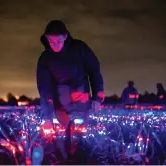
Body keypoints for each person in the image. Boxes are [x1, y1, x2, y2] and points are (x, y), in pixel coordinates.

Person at [36, 20, 104, 159]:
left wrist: (97, 97)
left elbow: (94, 70)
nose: (55, 45)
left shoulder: (80, 48)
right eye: (51, 41)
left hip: (80, 103)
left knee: (79, 139)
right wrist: (47, 116)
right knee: (58, 141)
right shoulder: (45, 58)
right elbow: (45, 88)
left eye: (58, 41)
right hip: (59, 106)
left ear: (65, 36)